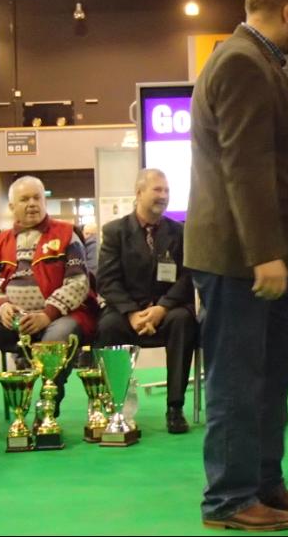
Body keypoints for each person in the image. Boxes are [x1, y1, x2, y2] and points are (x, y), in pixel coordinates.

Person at [184, 0, 288, 531]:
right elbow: (244, 165)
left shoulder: (253, 59)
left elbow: (271, 159)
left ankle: (263, 483)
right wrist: (264, 251)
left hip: (254, 253)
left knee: (268, 375)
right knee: (238, 380)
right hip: (239, 259)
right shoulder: (243, 63)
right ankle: (229, 500)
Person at [0, 175, 98, 442]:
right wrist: (1, 306)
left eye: (37, 198)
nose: (32, 204)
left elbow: (78, 283)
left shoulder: (67, 234)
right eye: (24, 199)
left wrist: (47, 314)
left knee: (56, 340)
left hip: (58, 316)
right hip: (10, 319)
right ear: (11, 207)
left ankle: (45, 416)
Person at [96, 168, 198, 433]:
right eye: (157, 190)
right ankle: (117, 407)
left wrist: (162, 308)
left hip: (167, 309)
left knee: (183, 321)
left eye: (166, 191)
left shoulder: (180, 232)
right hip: (126, 312)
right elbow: (107, 280)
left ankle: (175, 407)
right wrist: (132, 313)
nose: (163, 196)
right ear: (139, 192)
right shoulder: (115, 231)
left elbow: (187, 277)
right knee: (107, 326)